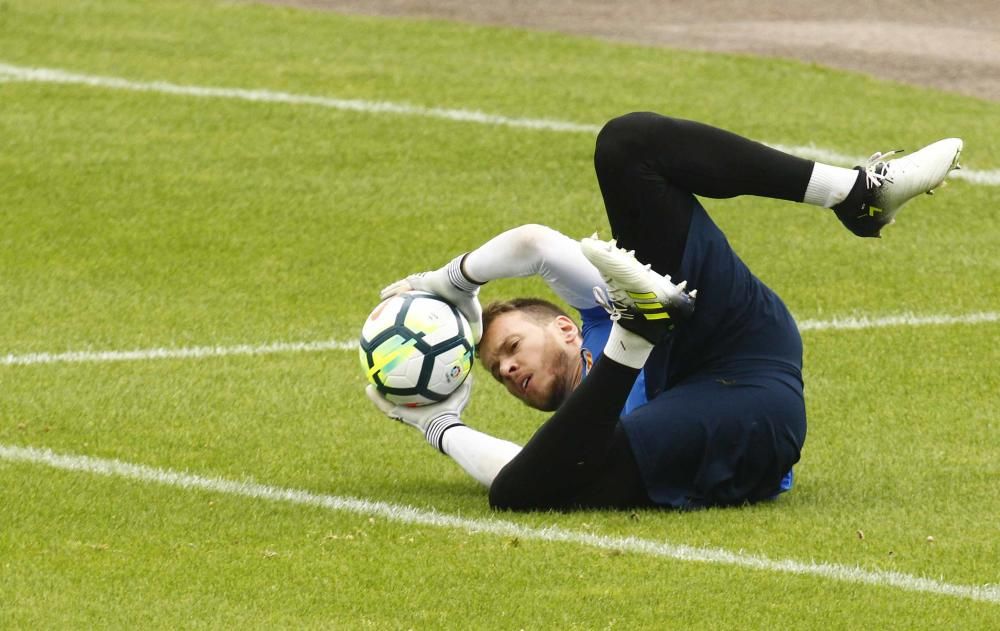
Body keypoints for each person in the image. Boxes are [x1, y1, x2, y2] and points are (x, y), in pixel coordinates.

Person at [366, 112, 963, 511]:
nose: (508, 371)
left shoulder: (596, 308)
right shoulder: (583, 435)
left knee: (629, 145)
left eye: (513, 348)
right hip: (744, 405)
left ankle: (857, 194)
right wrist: (435, 420)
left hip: (732, 337)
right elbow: (518, 476)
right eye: (498, 372)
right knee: (530, 486)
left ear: (568, 328)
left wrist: (451, 282)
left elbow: (534, 243)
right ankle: (643, 330)